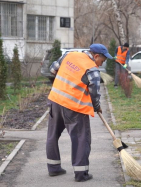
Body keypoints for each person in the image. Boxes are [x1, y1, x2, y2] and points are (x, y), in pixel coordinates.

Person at [46, 43, 112, 182]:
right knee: (81, 138)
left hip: (55, 101)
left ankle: (53, 168)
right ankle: (81, 174)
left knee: (52, 135)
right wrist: (96, 106)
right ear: (96, 56)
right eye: (102, 61)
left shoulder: (69, 55)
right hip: (74, 107)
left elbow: (52, 70)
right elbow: (94, 92)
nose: (101, 64)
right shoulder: (92, 69)